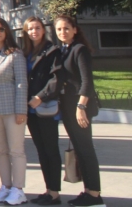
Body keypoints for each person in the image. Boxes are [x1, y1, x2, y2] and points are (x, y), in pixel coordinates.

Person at [50, 15, 103, 207]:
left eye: (66, 28)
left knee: (86, 149)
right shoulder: (63, 50)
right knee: (80, 150)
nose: (62, 32)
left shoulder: (79, 50)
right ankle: (88, 191)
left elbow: (87, 81)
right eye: (59, 29)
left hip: (80, 107)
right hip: (67, 106)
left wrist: (81, 107)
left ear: (74, 29)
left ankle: (95, 194)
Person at [0, 17, 29, 206]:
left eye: (1, 29)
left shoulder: (15, 54)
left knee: (16, 150)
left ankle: (18, 190)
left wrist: (21, 110)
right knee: (0, 150)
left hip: (12, 110)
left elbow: (21, 83)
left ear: (7, 31)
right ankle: (6, 186)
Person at [23, 17, 63, 206]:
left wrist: (40, 97)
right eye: (30, 29)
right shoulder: (26, 53)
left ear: (43, 30)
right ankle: (48, 190)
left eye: (37, 28)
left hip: (45, 108)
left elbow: (56, 79)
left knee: (51, 150)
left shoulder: (52, 51)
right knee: (41, 151)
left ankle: (54, 193)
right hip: (31, 111)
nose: (34, 31)